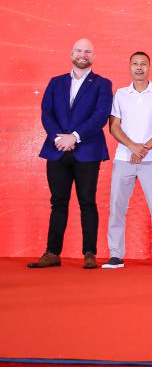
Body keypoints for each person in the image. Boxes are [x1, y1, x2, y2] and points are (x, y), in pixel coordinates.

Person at [29, 38, 113, 270]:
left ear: (93, 57)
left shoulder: (102, 84)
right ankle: (52, 253)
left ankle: (89, 253)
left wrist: (74, 136)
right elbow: (46, 112)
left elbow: (100, 115)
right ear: (71, 53)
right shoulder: (55, 82)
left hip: (87, 150)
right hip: (56, 150)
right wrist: (59, 138)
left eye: (87, 51)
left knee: (88, 202)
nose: (83, 54)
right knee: (58, 202)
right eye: (79, 50)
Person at [102, 51, 152, 269]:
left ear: (150, 67)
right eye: (135, 64)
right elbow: (114, 126)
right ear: (129, 67)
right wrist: (132, 146)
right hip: (124, 158)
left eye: (143, 64)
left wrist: (146, 147)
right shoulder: (120, 94)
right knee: (116, 207)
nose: (139, 67)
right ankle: (115, 254)